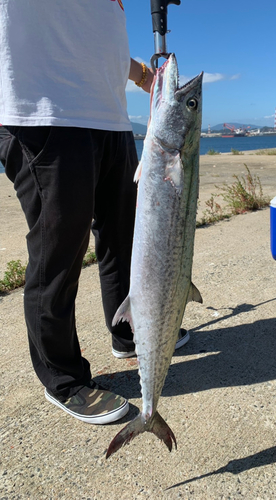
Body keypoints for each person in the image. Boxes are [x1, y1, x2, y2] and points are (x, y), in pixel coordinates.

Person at [0, 1, 189, 425]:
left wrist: (142, 74)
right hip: (43, 111)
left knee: (125, 241)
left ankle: (129, 332)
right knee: (59, 254)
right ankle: (62, 378)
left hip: (111, 118)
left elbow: (89, 35)